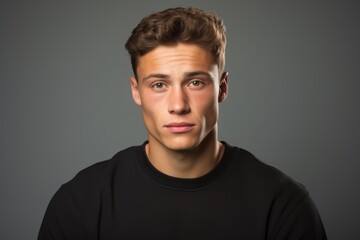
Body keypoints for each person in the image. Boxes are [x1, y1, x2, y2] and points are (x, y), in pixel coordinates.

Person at [38, 7, 327, 239]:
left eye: (196, 82)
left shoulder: (283, 205)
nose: (178, 105)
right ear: (136, 91)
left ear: (222, 88)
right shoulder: (81, 203)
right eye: (159, 84)